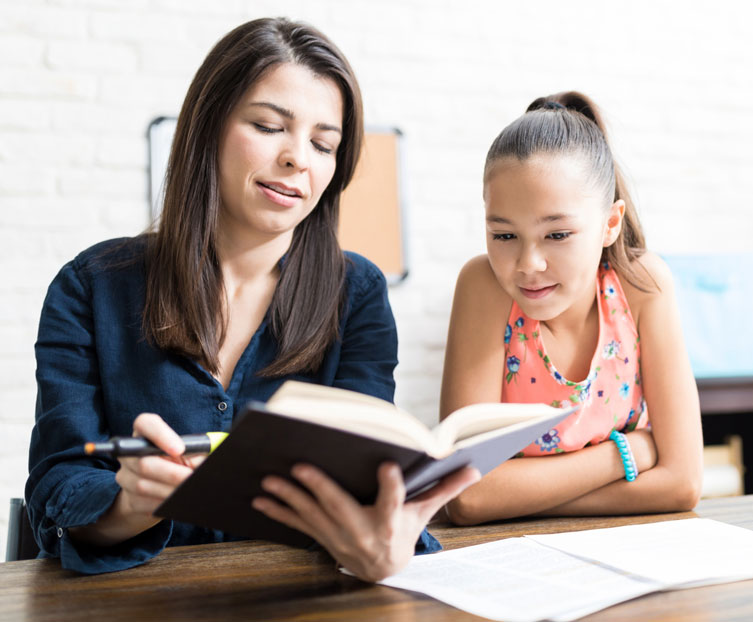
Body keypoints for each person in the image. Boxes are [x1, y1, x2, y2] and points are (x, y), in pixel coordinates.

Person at [26, 17, 478, 580]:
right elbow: (58, 486)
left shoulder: (357, 295)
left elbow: (361, 474)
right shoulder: (91, 286)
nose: (299, 159)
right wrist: (130, 503)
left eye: (323, 143)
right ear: (207, 128)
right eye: (269, 126)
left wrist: (380, 538)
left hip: (295, 598)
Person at [440, 92, 703, 525]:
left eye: (557, 235)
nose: (528, 265)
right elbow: (465, 497)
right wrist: (627, 454)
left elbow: (683, 483)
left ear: (609, 224)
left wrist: (513, 496)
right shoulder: (483, 287)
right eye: (504, 236)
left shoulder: (643, 286)